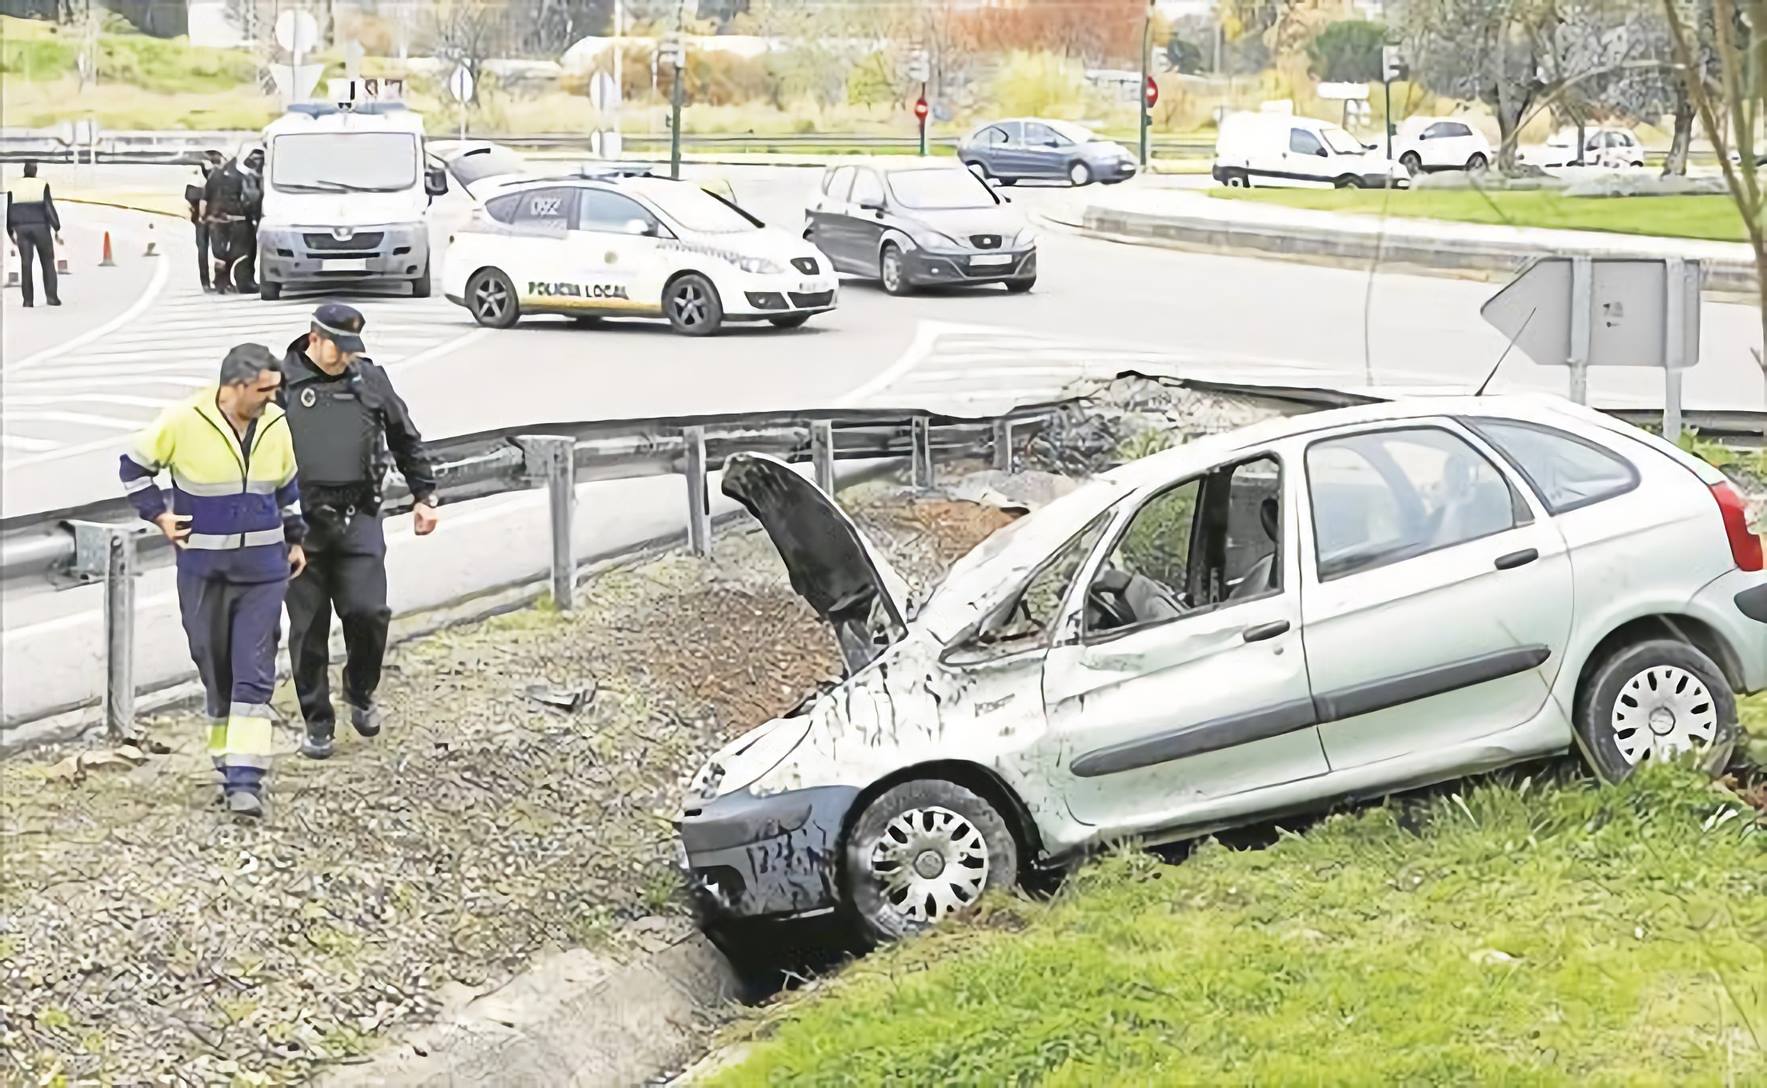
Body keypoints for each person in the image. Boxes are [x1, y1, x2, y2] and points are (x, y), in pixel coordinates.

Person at [119, 344, 306, 818]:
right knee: (214, 664)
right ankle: (226, 762)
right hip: (204, 570)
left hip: (264, 570)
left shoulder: (276, 423)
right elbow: (133, 466)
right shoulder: (183, 421)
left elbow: (287, 488)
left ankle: (247, 779)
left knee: (254, 668)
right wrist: (158, 516)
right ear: (235, 386)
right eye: (264, 391)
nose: (272, 399)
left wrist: (296, 541)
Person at [279, 303, 438, 760]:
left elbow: (406, 438)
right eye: (339, 348)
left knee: (368, 613)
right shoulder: (280, 384)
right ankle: (317, 722)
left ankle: (361, 691)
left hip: (358, 517)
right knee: (307, 629)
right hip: (299, 525)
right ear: (314, 339)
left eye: (352, 349)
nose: (346, 357)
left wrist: (424, 495)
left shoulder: (370, 380)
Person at [204, 145, 263, 293]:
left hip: (217, 220)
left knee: (220, 252)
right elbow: (251, 197)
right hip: (239, 219)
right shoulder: (244, 175)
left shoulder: (213, 175)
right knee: (244, 252)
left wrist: (205, 216)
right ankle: (244, 282)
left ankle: (221, 282)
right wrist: (255, 216)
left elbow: (205, 197)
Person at [5, 161, 62, 308]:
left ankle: (28, 301)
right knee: (48, 263)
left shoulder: (14, 186)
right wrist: (56, 226)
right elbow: (48, 207)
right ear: (35, 171)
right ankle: (51, 297)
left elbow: (9, 210)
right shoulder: (42, 184)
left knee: (26, 264)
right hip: (41, 228)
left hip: (21, 230)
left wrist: (10, 231)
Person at [184, 150, 225, 293]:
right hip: (208, 218)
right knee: (215, 250)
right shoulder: (212, 177)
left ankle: (209, 282)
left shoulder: (198, 177)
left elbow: (189, 197)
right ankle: (215, 281)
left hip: (202, 218)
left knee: (207, 250)